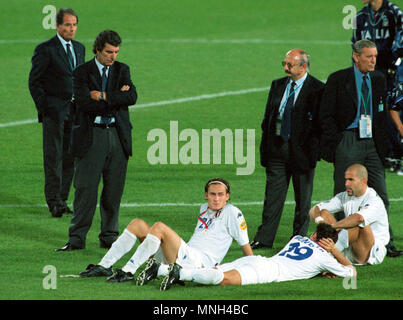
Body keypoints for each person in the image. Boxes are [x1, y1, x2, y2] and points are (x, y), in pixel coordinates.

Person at [79, 178, 253, 291]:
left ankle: (129, 270)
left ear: (227, 197)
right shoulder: (204, 209)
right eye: (212, 194)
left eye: (220, 195)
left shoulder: (233, 213)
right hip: (184, 255)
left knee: (159, 228)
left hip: (198, 262)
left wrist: (252, 268)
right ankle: (105, 265)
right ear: (206, 195)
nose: (216, 198)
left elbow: (245, 246)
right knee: (137, 224)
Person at [319, 39, 402, 257]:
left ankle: (384, 243)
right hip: (348, 140)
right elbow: (325, 114)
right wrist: (338, 140)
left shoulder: (378, 79)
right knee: (344, 194)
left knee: (381, 194)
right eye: (369, 57)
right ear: (356, 57)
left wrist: (384, 145)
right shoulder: (338, 79)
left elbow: (382, 115)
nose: (374, 61)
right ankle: (336, 244)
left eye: (375, 56)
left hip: (372, 143)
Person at [56, 30, 137, 251]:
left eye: (116, 52)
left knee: (113, 190)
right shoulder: (81, 72)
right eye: (109, 52)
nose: (113, 56)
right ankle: (76, 239)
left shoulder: (122, 70)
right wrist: (116, 98)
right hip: (92, 136)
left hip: (117, 137)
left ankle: (109, 237)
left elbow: (132, 97)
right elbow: (84, 103)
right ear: (98, 50)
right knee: (85, 190)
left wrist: (102, 95)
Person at [250, 49, 324, 249]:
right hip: (277, 149)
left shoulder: (317, 89)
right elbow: (268, 118)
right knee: (272, 197)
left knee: (302, 201)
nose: (285, 68)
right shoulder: (278, 84)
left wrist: (313, 152)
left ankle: (298, 239)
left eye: (290, 65)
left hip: (302, 153)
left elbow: (319, 125)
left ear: (303, 66)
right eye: (284, 63)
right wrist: (265, 148)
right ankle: (264, 238)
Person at [170, 223, 356, 287]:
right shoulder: (325, 258)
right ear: (329, 243)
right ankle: (179, 274)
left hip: (256, 259)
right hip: (267, 272)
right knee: (223, 279)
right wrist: (334, 252)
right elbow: (351, 272)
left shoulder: (298, 238)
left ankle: (161, 270)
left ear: (314, 235)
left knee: (213, 270)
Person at [28, 8, 85, 217]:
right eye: (67, 25)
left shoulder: (79, 48)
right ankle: (53, 201)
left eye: (74, 25)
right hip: (54, 112)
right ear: (58, 26)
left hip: (74, 111)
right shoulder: (46, 49)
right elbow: (34, 81)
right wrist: (45, 108)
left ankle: (62, 199)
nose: (71, 29)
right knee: (53, 157)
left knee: (70, 156)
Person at [352, 0, 403, 173]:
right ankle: (380, 152)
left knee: (391, 108)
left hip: (390, 70)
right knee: (370, 109)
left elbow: (401, 41)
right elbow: (355, 44)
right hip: (368, 70)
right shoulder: (360, 16)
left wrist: (394, 64)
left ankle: (395, 152)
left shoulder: (394, 13)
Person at [309, 164, 391, 264]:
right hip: (350, 245)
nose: (346, 183)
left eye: (351, 180)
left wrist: (332, 227)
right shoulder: (344, 196)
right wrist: (320, 222)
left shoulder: (374, 200)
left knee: (358, 224)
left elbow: (359, 219)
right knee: (324, 213)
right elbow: (315, 209)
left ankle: (324, 254)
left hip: (371, 251)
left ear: (363, 181)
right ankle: (326, 250)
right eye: (346, 180)